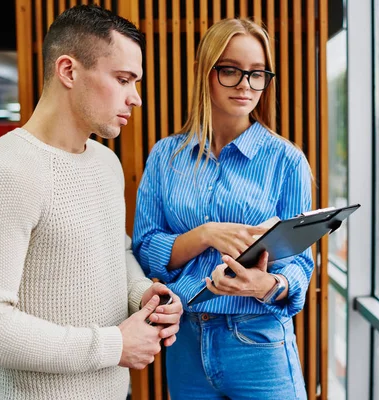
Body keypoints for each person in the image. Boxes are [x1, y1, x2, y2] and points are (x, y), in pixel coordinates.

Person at [0, 5, 182, 400]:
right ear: (68, 71)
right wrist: (112, 345)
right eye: (123, 79)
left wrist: (142, 292)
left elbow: (115, 251)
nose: (136, 98)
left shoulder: (106, 162)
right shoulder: (1, 173)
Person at [133, 18, 313, 400]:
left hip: (258, 340)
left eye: (257, 74)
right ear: (206, 72)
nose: (246, 85)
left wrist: (269, 285)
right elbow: (146, 248)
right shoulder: (166, 156)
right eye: (231, 71)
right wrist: (206, 234)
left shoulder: (287, 161)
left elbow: (299, 265)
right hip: (184, 340)